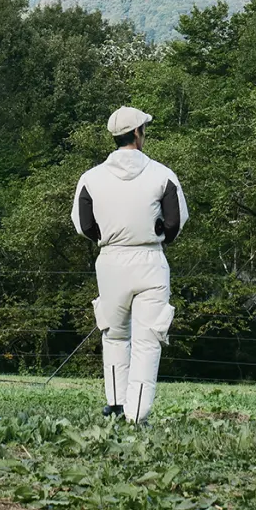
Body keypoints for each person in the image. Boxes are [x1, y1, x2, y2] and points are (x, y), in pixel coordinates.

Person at [71, 106, 186, 423]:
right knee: (148, 339)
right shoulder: (162, 175)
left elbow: (83, 225)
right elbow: (175, 222)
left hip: (111, 261)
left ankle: (116, 405)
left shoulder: (91, 178)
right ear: (138, 133)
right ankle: (137, 414)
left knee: (114, 335)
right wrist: (160, 234)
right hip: (150, 259)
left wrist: (105, 237)